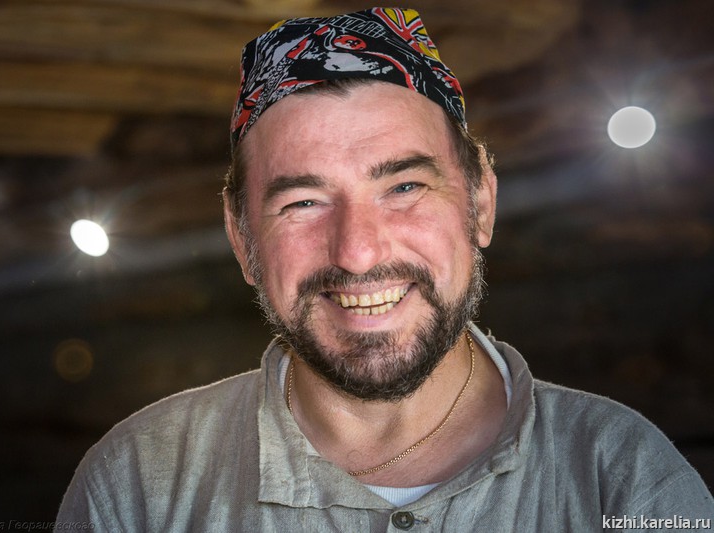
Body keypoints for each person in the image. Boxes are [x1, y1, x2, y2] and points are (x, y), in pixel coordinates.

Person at [57, 8, 713, 531]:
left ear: (481, 203)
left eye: (404, 187)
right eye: (303, 202)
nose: (358, 252)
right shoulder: (135, 486)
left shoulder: (627, 480)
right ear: (242, 239)